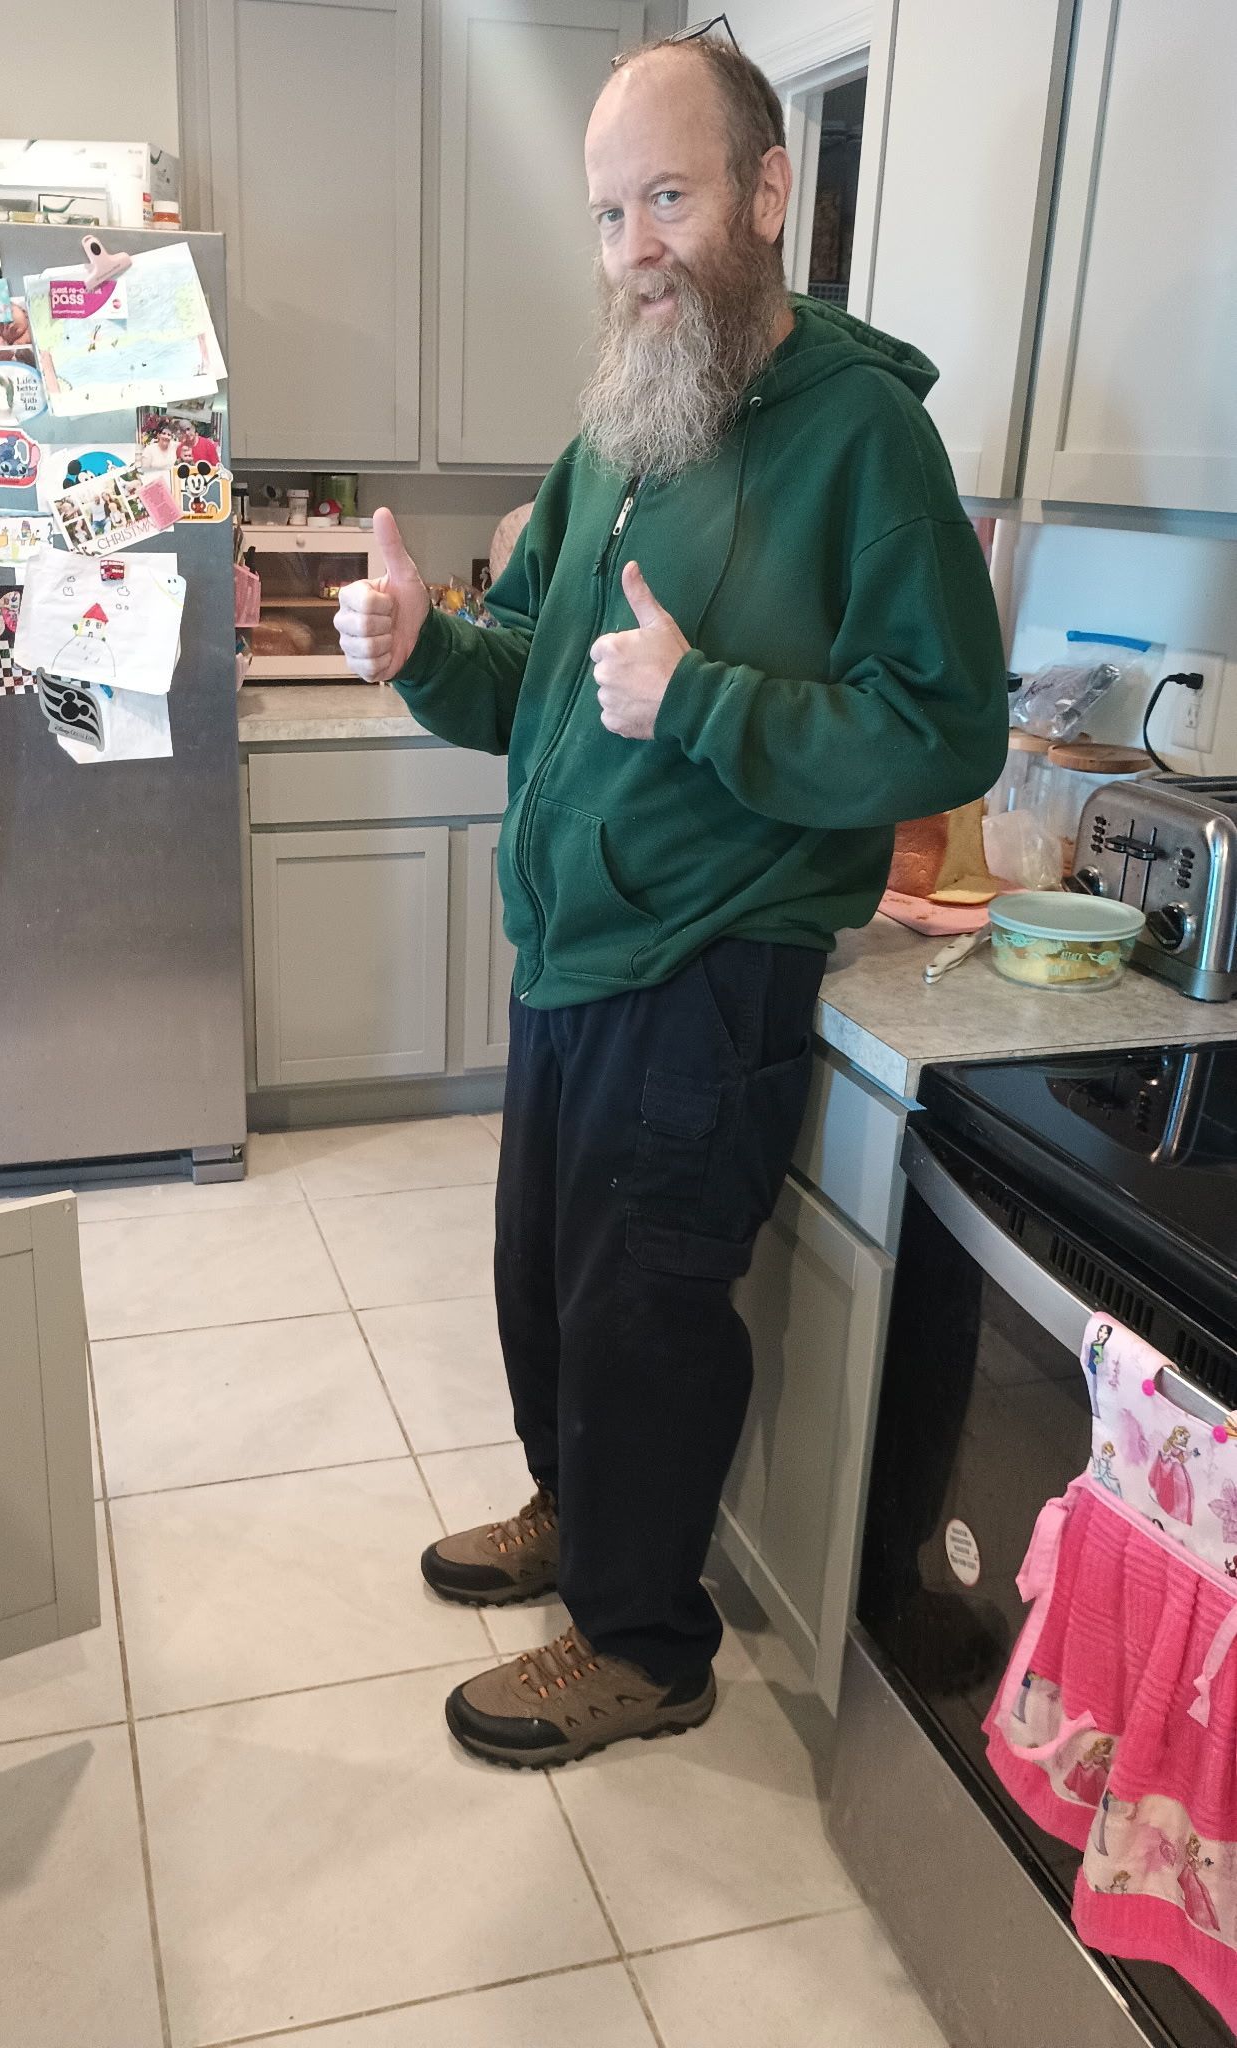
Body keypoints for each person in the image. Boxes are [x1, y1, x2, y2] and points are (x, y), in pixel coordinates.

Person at [335, 27, 1007, 1770]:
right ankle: (577, 1514)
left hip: (711, 961)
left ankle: (643, 1642)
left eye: (668, 198)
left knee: (644, 1316)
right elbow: (528, 678)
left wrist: (703, 699)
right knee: (546, 1282)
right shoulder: (623, 431)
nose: (633, 247)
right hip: (570, 944)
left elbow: (947, 727)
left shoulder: (865, 440)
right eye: (606, 212)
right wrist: (421, 650)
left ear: (765, 194)